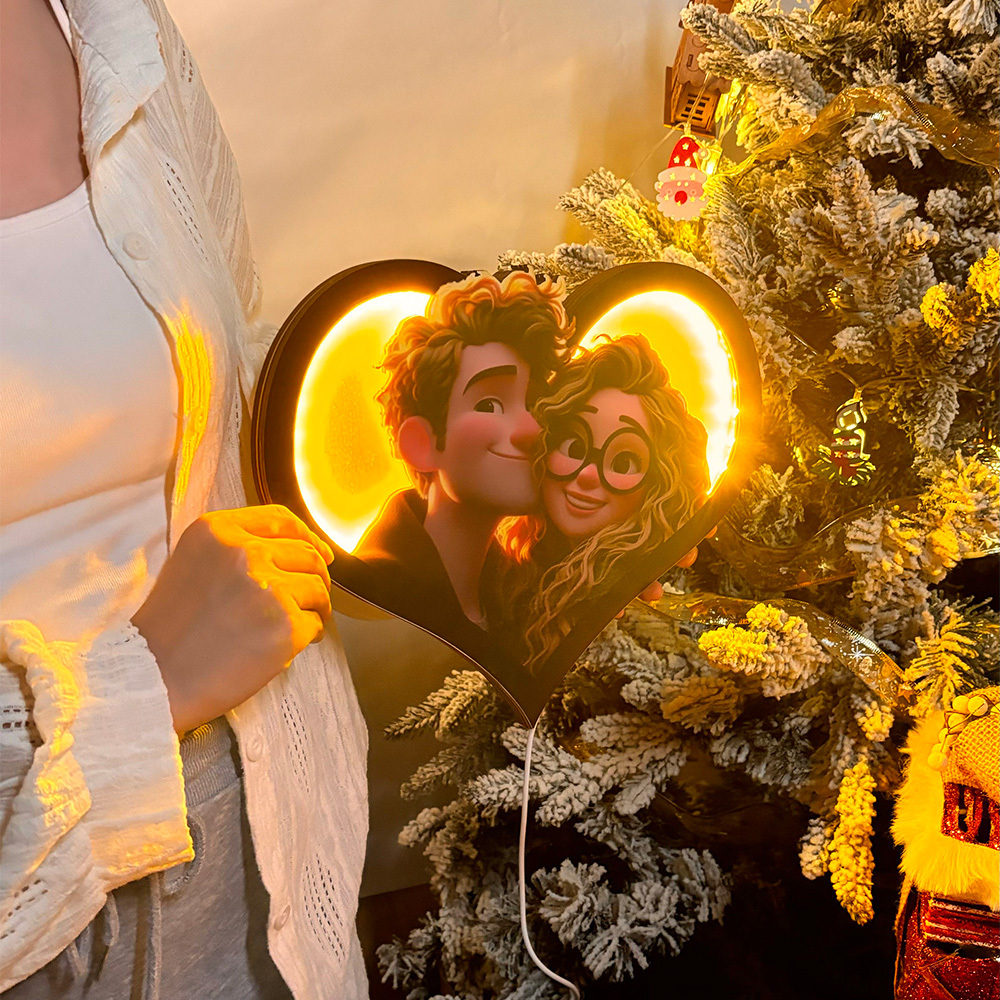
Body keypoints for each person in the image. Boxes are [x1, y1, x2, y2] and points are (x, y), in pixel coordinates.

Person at [0, 1, 368, 997]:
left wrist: (404, 502)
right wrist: (141, 682)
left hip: (264, 867)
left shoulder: (112, 21)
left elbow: (223, 399)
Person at [346, 271, 571, 630]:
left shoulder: (527, 598)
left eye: (534, 404)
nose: (532, 430)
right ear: (422, 443)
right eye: (490, 405)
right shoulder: (366, 600)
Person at [497, 334, 711, 668]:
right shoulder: (489, 556)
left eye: (624, 463)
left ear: (656, 486)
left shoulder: (633, 596)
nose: (588, 475)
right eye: (575, 447)